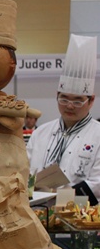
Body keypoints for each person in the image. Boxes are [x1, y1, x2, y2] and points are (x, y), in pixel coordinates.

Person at [28, 34, 100, 205]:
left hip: (84, 215)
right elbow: (27, 173)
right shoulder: (40, 133)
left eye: (77, 101)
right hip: (40, 212)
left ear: (91, 101)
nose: (69, 106)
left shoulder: (98, 134)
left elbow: (97, 184)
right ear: (57, 96)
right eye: (64, 99)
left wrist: (58, 196)